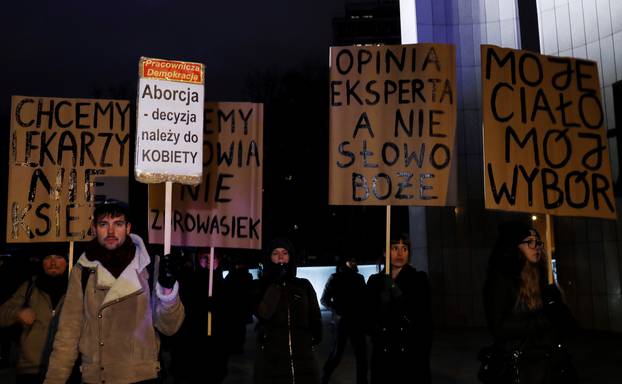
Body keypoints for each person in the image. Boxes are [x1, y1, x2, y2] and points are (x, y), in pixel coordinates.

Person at [43, 199, 184, 384]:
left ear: (128, 228)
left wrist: (167, 290)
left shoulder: (148, 266)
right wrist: (55, 379)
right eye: (104, 224)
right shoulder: (83, 270)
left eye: (118, 224)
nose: (111, 232)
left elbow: (169, 327)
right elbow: (68, 333)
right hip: (97, 377)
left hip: (142, 377)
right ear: (94, 229)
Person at [482, 221, 577, 384]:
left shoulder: (544, 278)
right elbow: (499, 326)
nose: (537, 246)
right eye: (529, 241)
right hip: (519, 364)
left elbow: (566, 323)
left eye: (538, 242)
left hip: (548, 363)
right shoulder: (502, 280)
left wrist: (557, 307)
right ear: (515, 246)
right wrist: (539, 323)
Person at [253, 237, 322, 384]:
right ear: (268, 258)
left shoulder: (303, 285)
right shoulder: (260, 286)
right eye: (275, 253)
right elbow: (263, 313)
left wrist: (316, 333)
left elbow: (314, 314)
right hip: (272, 358)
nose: (280, 257)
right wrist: (276, 284)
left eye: (284, 253)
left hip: (303, 356)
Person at [366, 235, 432, 384]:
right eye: (395, 248)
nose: (400, 254)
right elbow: (367, 316)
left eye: (404, 249)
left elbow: (424, 315)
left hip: (411, 350)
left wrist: (394, 290)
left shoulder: (418, 279)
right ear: (385, 252)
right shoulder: (375, 281)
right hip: (384, 350)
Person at [0, 254, 68, 384]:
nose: (53, 263)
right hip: (31, 370)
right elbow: (2, 313)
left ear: (67, 260)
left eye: (58, 257)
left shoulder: (76, 288)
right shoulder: (29, 287)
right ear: (41, 262)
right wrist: (18, 313)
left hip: (65, 370)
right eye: (48, 258)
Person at [172, 249, 229, 383]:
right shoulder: (189, 281)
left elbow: (231, 316)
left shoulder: (224, 284)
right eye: (205, 258)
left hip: (216, 346)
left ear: (218, 261)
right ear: (198, 260)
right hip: (193, 346)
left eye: (213, 258)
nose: (209, 262)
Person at [320, 255, 368, 384]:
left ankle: (361, 381)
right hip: (341, 322)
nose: (353, 262)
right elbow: (324, 299)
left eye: (354, 260)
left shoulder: (359, 278)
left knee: (361, 355)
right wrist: (338, 310)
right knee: (337, 354)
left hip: (356, 321)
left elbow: (365, 300)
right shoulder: (335, 278)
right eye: (350, 260)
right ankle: (325, 377)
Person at [223, 256, 254, 355]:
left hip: (233, 306)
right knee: (241, 329)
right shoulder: (248, 276)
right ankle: (239, 347)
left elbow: (226, 288)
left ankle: (234, 347)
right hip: (242, 306)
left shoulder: (232, 275)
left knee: (234, 328)